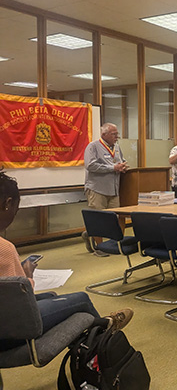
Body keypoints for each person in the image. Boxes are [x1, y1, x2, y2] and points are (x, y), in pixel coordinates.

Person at [0, 171, 133, 351]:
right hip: (11, 328)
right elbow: (21, 301)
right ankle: (105, 333)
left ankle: (90, 338)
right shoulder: (4, 248)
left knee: (52, 297)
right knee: (80, 300)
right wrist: (28, 275)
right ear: (8, 204)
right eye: (16, 210)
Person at [82, 123, 128, 256]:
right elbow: (90, 165)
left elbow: (121, 161)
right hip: (97, 188)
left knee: (115, 218)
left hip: (114, 189)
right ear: (104, 135)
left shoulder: (117, 148)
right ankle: (99, 248)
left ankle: (111, 244)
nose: (117, 137)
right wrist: (113, 168)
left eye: (117, 134)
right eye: (114, 134)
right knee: (99, 219)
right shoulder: (93, 146)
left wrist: (123, 166)